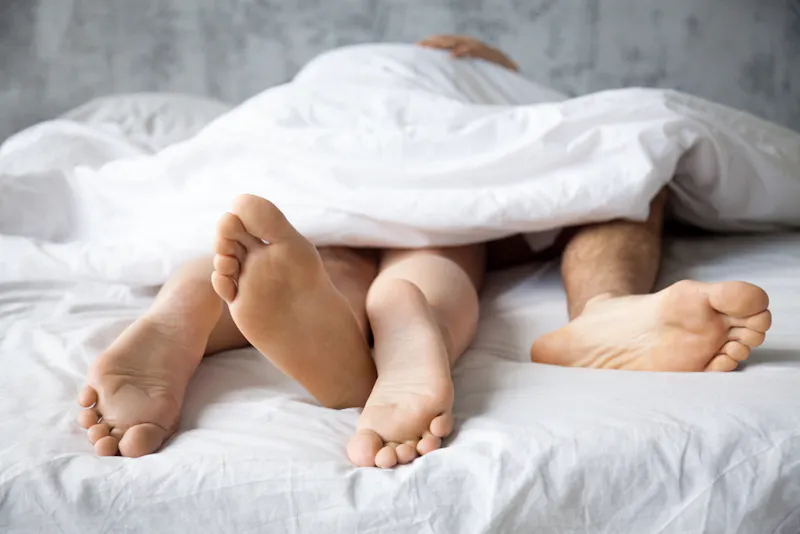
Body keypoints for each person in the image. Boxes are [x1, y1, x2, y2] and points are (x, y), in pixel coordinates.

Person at [76, 35, 772, 469]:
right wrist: (489, 67)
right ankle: (439, 317)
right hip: (401, 149)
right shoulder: (469, 79)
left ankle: (194, 300)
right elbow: (579, 142)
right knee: (578, 180)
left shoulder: (327, 80)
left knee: (328, 247)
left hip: (315, 158)